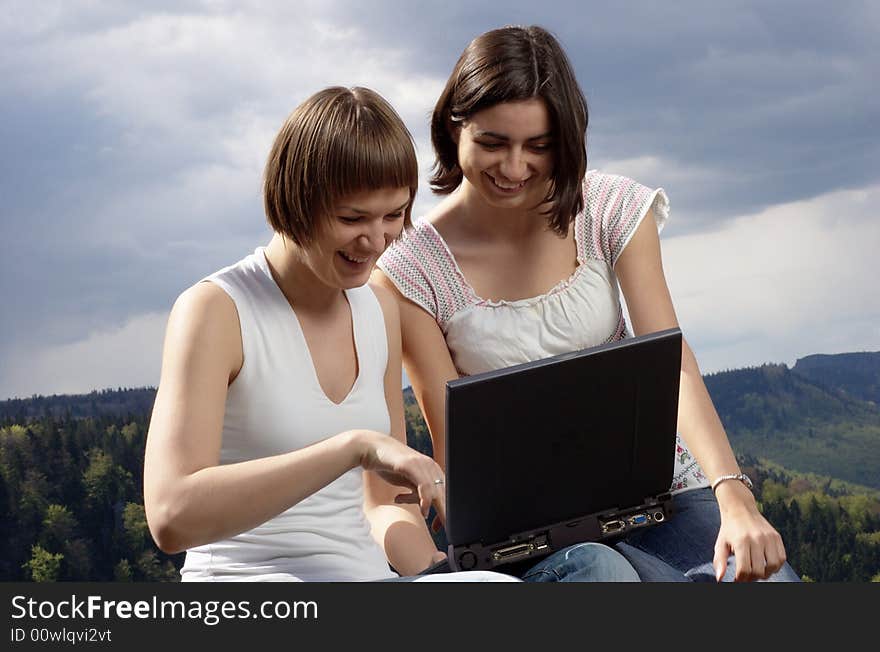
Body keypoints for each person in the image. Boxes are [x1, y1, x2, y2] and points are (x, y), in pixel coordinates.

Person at [374, 25, 801, 582]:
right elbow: (454, 439)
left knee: (763, 581)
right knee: (606, 577)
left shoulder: (608, 209)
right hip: (526, 530)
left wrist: (734, 498)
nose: (514, 167)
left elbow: (673, 364)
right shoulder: (411, 268)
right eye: (493, 142)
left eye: (539, 146)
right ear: (453, 128)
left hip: (657, 493)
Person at [143, 86, 523, 582]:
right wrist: (352, 447)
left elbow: (388, 505)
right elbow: (172, 518)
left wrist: (435, 573)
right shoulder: (216, 310)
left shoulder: (380, 308)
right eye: (352, 218)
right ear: (294, 199)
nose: (376, 240)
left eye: (393, 215)